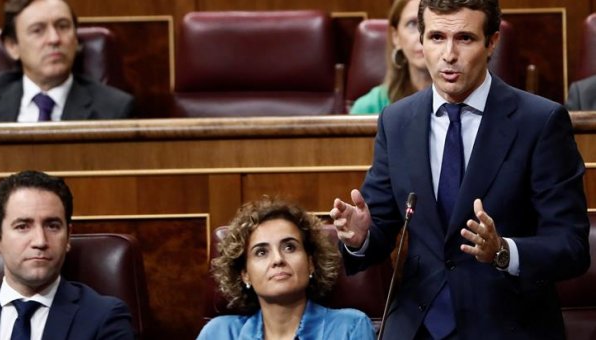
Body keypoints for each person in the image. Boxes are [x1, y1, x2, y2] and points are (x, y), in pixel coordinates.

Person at [331, 0, 590, 339]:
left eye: (464, 38)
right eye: (437, 37)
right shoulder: (397, 121)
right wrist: (361, 238)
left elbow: (572, 247)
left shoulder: (539, 122)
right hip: (417, 324)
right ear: (421, 41)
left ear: (492, 42)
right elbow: (381, 230)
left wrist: (502, 251)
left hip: (507, 323)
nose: (449, 54)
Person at [0, 170, 134, 339]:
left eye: (53, 226)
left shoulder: (104, 318)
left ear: (68, 238)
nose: (40, 241)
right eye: (23, 226)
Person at [198, 197, 375, 339]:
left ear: (311, 263)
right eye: (261, 252)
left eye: (289, 247)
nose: (278, 259)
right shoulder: (218, 333)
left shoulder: (350, 328)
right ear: (245, 275)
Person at [0, 0, 135, 123]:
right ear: (13, 46)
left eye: (63, 26)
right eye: (38, 30)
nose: (54, 39)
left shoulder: (114, 108)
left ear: (76, 39)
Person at [350, 0, 432, 115]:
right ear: (396, 37)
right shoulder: (369, 106)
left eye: (432, 24)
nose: (422, 37)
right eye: (412, 24)